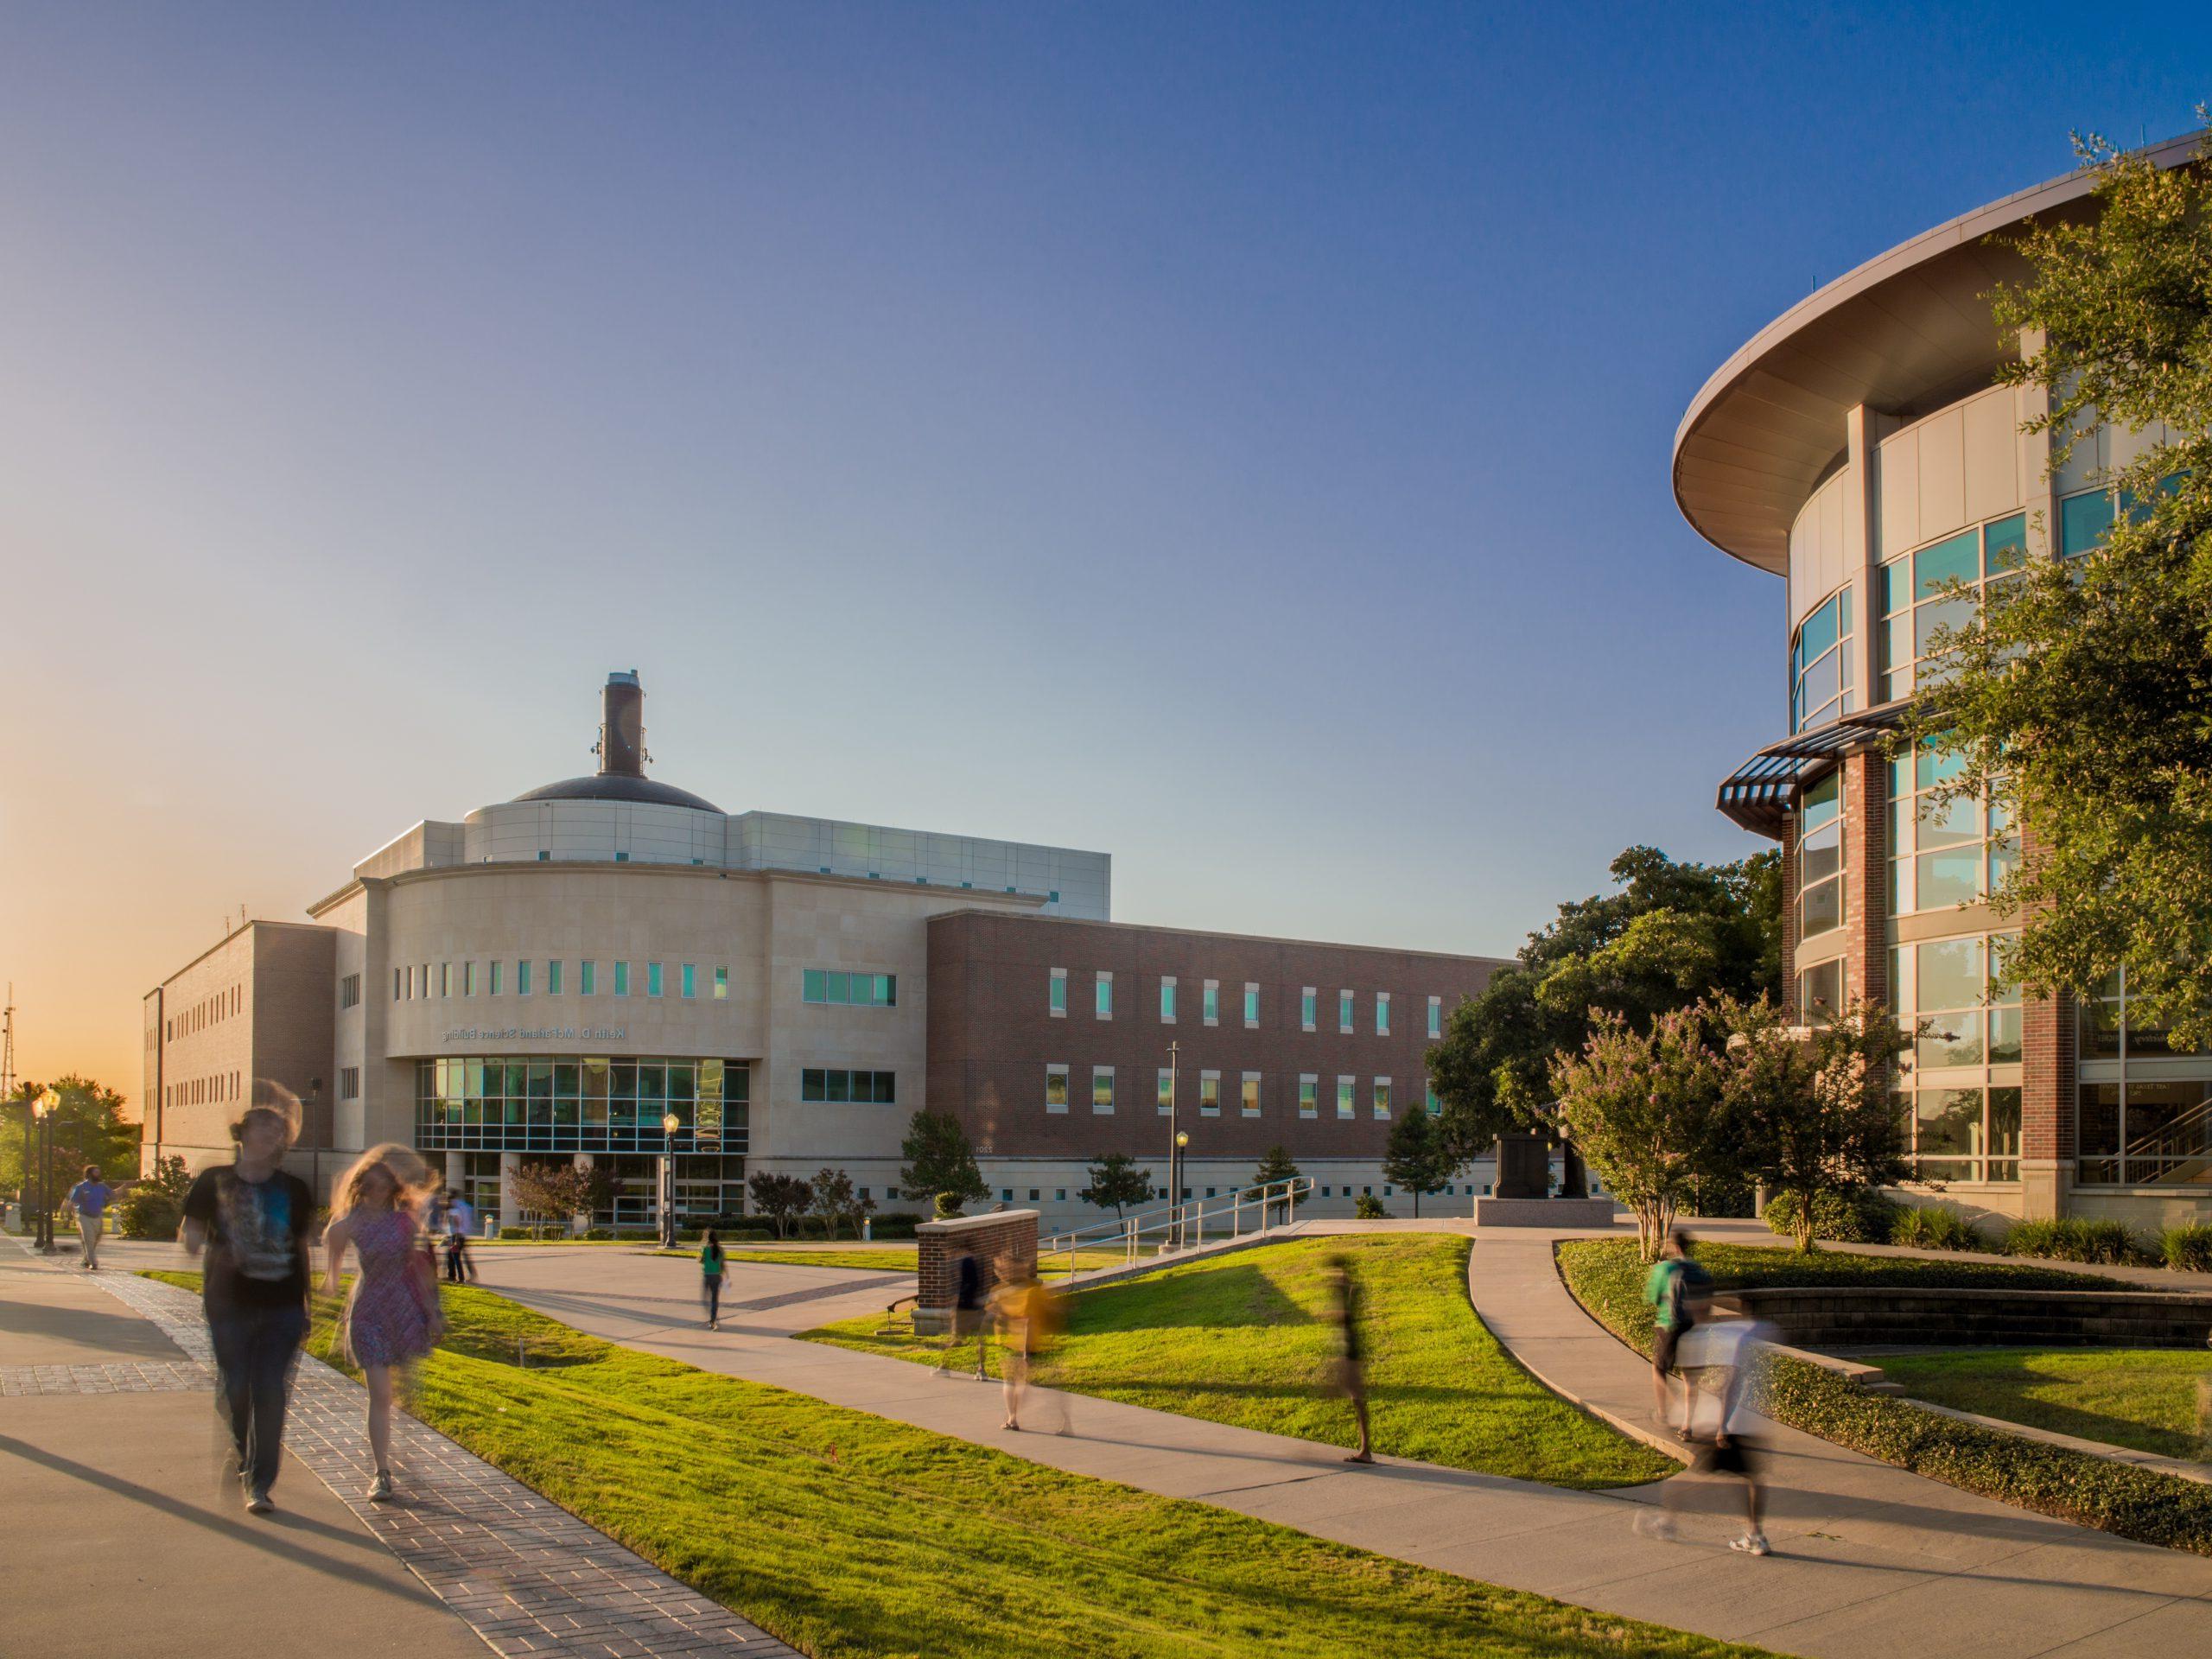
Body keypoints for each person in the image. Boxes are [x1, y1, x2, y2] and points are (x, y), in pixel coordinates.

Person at [181, 1086, 315, 1516]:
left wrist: (307, 1304)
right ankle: (243, 1458)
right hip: (229, 1305)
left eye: (279, 1130)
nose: (273, 1135)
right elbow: (191, 1238)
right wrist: (205, 1243)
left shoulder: (294, 1189)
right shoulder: (212, 1181)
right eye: (264, 1127)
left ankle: (260, 1482)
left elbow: (300, 1248)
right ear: (243, 1134)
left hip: (283, 1307)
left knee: (271, 1392)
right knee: (236, 1389)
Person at [322, 1143, 443, 1503]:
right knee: (381, 1395)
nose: (376, 1192)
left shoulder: (404, 1222)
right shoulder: (350, 1224)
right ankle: (382, 1471)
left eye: (383, 1186)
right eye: (369, 1186)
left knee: (405, 1387)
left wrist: (433, 1310)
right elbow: (331, 1269)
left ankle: (402, 1453)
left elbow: (419, 1267)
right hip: (369, 1311)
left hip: (403, 1309)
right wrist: (327, 1281)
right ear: (360, 1188)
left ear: (392, 1189)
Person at [1639, 1300, 1776, 1557]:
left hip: (1723, 1423)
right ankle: (1755, 1536)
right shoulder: (1762, 1332)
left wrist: (1720, 1426)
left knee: (1697, 1476)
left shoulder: (1723, 1337)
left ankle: (1667, 1521)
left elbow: (1729, 1382)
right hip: (1750, 1422)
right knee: (1750, 1478)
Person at [987, 1253, 1066, 1433]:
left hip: (1022, 1344)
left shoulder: (1023, 1292)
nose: (999, 1272)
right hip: (1017, 1344)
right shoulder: (1025, 1290)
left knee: (1016, 1382)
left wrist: (1026, 1351)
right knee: (1016, 1381)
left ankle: (1013, 1418)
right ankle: (1014, 1417)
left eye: (1001, 1268)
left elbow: (1027, 1320)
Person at [1643, 1228, 1709, 1439]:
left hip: (1669, 1324)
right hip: (1694, 1327)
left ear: (1674, 1246)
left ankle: (1663, 1412)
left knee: (1659, 1368)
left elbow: (1653, 1297)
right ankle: (1687, 1426)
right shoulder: (1701, 1271)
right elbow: (1708, 1303)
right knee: (1690, 1378)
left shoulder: (1666, 1269)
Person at [1326, 1254, 1374, 1464]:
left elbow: (1346, 1317)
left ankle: (1365, 1451)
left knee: (1357, 1399)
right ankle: (1365, 1449)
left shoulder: (1349, 1290)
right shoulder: (1346, 1290)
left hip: (1352, 1350)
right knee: (1355, 1398)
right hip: (1349, 1348)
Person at [66, 1165, 130, 1270]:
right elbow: (72, 1202)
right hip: (84, 1217)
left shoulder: (102, 1186)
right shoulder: (81, 1187)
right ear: (89, 1174)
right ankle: (93, 1263)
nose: (98, 1174)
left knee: (96, 1239)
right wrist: (68, 1216)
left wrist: (122, 1188)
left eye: (98, 1172)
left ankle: (86, 1259)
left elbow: (113, 1194)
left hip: (98, 1216)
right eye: (96, 1172)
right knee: (89, 1239)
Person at [937, 1249, 987, 1378]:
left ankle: (944, 1366)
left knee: (955, 1339)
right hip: (978, 1306)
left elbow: (967, 1284)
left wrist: (957, 1301)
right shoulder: (978, 1260)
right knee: (979, 1340)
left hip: (963, 1307)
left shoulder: (964, 1262)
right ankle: (981, 1370)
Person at [444, 1188, 476, 1284]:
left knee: (455, 1257)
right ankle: (453, 1276)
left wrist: (456, 1239)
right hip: (461, 1234)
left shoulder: (454, 1208)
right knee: (453, 1256)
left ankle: (459, 1278)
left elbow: (457, 1223)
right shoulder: (463, 1205)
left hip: (457, 1236)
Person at [700, 1227, 727, 1330]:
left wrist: (703, 1243)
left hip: (708, 1275)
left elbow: (700, 1260)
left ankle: (712, 1319)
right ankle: (713, 1319)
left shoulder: (705, 1248)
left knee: (705, 1300)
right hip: (717, 1276)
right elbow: (723, 1264)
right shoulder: (720, 1249)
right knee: (714, 1300)